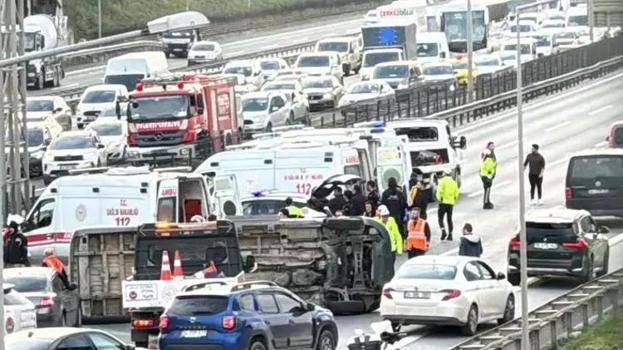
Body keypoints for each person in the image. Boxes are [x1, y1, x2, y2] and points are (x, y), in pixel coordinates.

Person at [436, 171, 460, 241]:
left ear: (444, 174)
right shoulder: (454, 182)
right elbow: (456, 193)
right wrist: (453, 200)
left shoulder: (442, 181)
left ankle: (443, 231)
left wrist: (439, 199)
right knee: (449, 219)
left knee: (440, 218)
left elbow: (439, 191)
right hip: (450, 203)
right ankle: (450, 235)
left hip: (443, 202)